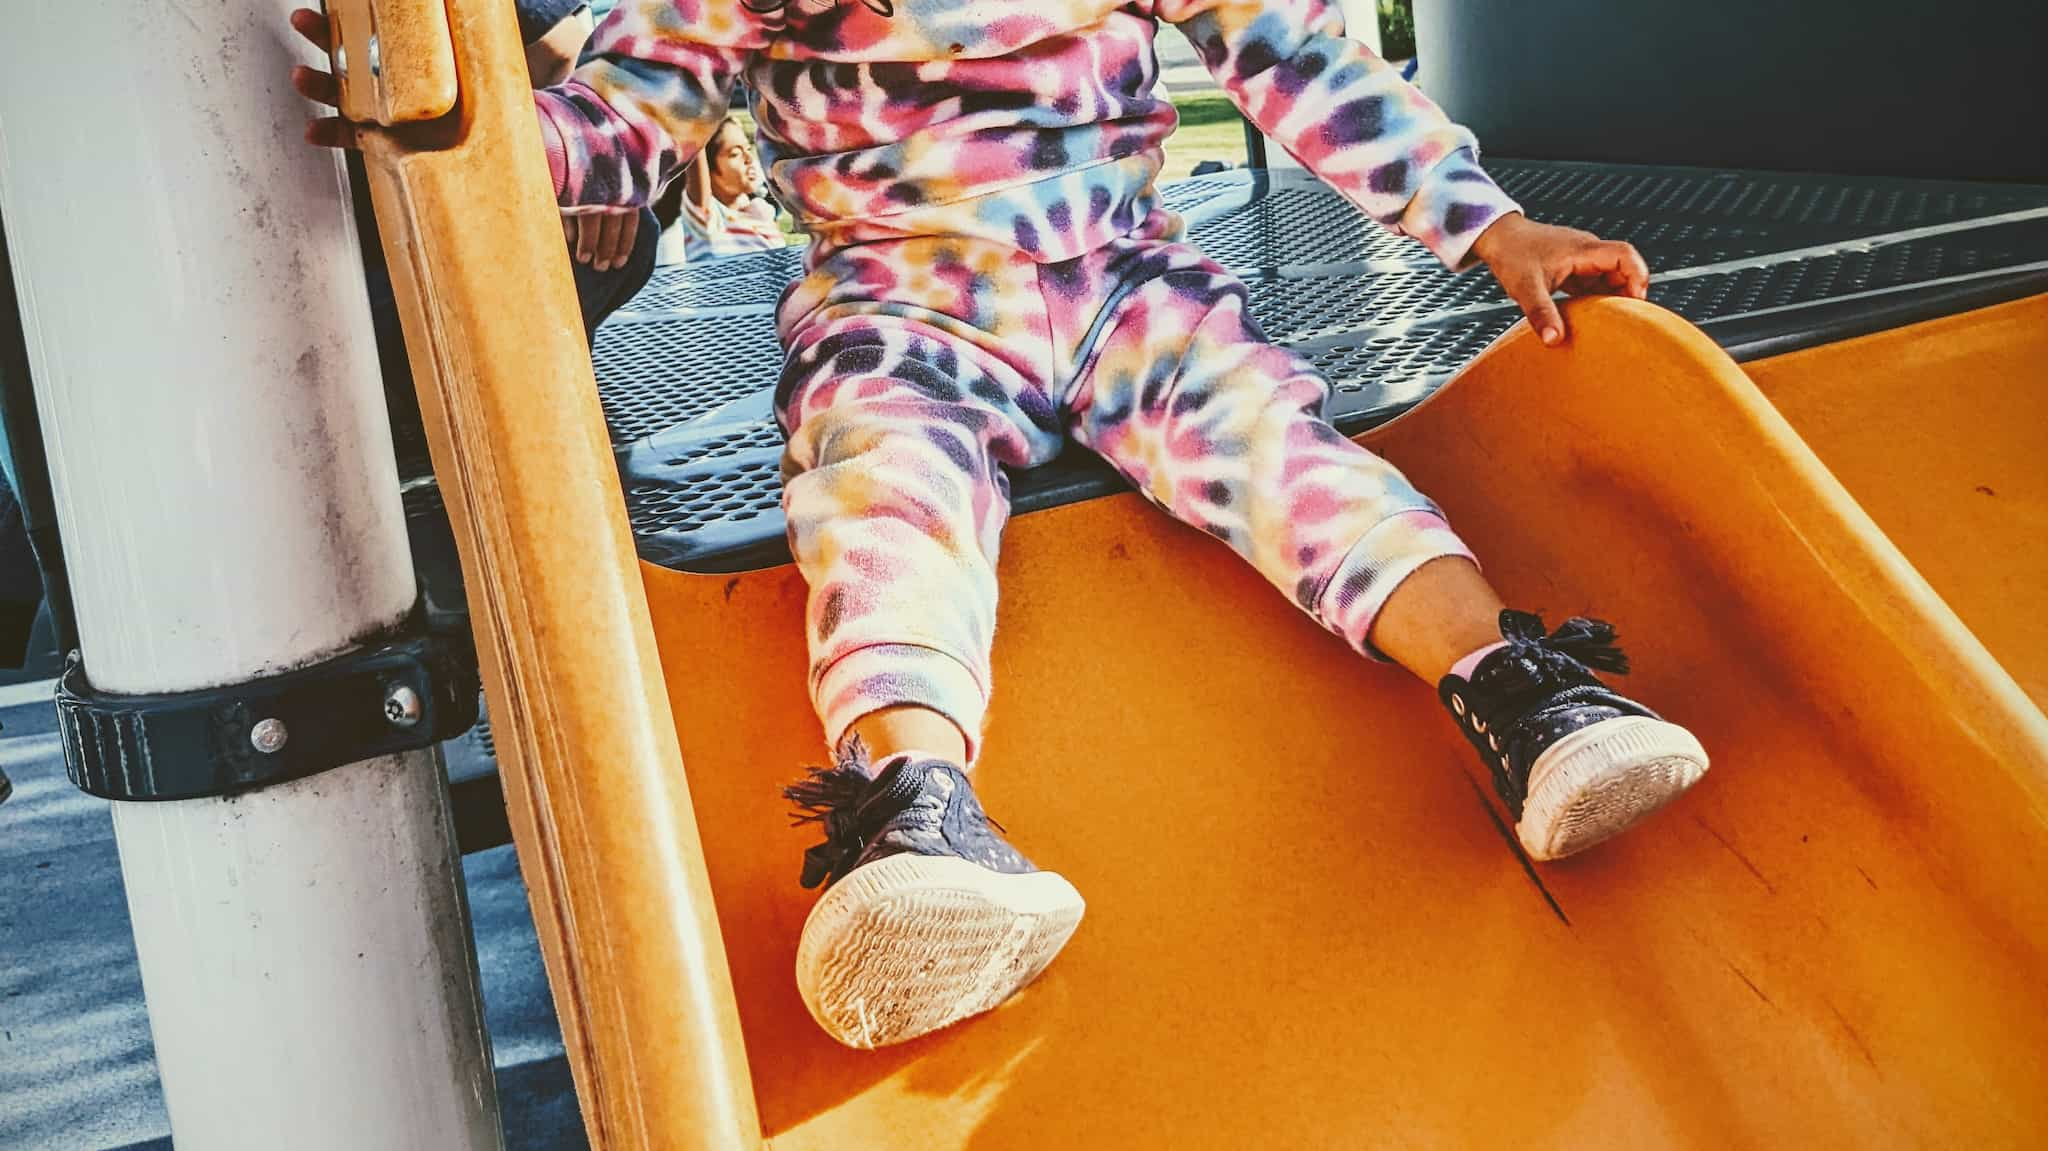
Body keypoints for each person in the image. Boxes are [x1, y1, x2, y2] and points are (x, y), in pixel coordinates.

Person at [293, 0, 1709, 1052]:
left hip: (1123, 278)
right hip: (898, 297)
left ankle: (1512, 685)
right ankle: (913, 814)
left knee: (1277, 440)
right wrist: (453, 127)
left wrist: (1483, 225)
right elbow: (619, 129)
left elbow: (1306, 63)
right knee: (880, 496)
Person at [652, 117, 784, 264]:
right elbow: (696, 150)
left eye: (747, 148)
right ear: (708, 170)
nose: (748, 158)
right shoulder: (708, 219)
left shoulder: (762, 212)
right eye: (734, 154)